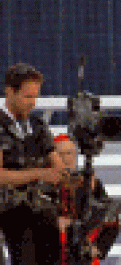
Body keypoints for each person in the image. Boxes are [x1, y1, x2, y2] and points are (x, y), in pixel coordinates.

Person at [0, 63, 67, 265]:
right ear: (10, 91)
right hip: (10, 208)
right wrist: (39, 174)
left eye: (35, 96)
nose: (33, 103)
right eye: (27, 97)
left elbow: (57, 164)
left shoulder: (37, 125)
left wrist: (69, 176)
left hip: (42, 208)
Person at [54, 134, 120, 264]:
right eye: (60, 154)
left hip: (83, 254)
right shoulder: (41, 183)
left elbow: (112, 220)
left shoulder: (91, 183)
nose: (66, 158)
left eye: (69, 153)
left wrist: (99, 249)